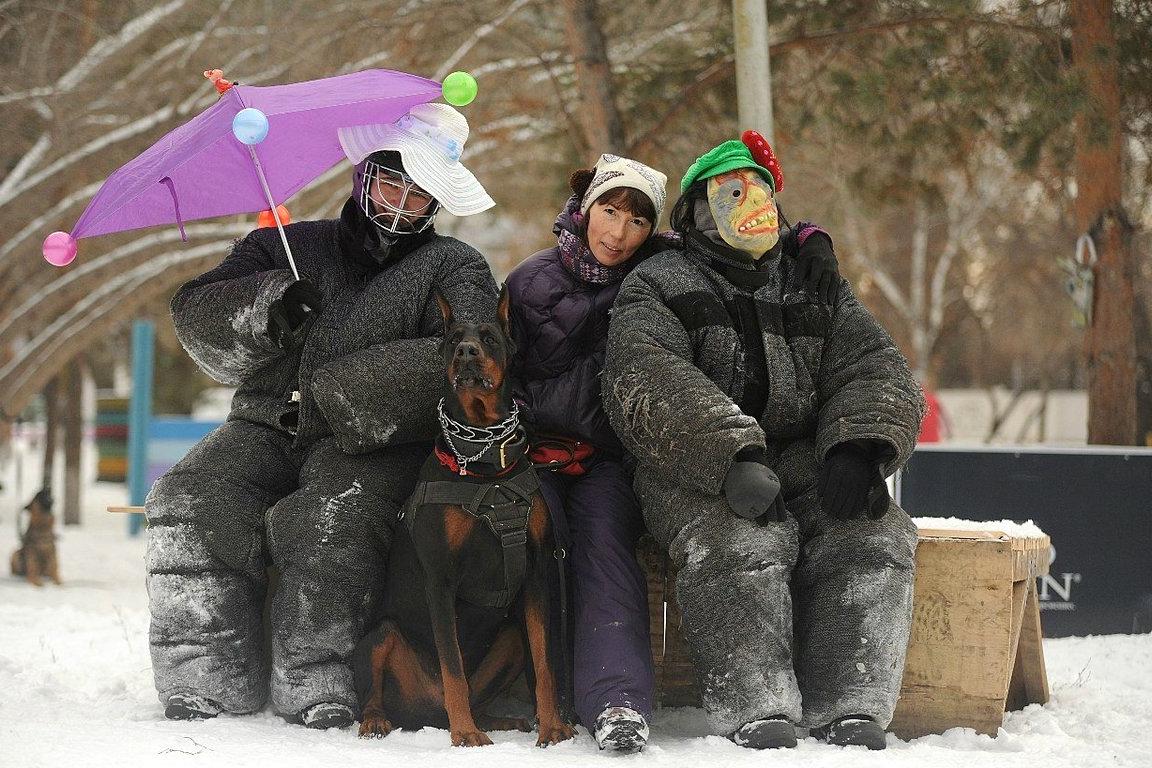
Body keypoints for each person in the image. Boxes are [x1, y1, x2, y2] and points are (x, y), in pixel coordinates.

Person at [145, 103, 499, 729]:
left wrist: (340, 389)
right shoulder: (284, 246)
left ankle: (318, 680)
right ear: (365, 177)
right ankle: (206, 675)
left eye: (417, 194)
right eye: (391, 183)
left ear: (434, 202)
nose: (399, 203)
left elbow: (466, 353)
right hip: (263, 425)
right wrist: (267, 307)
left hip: (367, 442)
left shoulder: (454, 266)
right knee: (189, 498)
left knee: (325, 521)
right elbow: (194, 311)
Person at [506, 153, 841, 752]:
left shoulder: (661, 267)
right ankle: (513, 689)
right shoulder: (530, 281)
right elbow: (496, 363)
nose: (618, 233)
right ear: (585, 210)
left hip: (606, 458)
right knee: (518, 547)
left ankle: (617, 701)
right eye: (608, 212)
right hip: (530, 451)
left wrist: (811, 239)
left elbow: (746, 231)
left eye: (635, 221)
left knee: (604, 547)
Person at [602, 134, 924, 751]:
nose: (749, 202)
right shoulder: (659, 282)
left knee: (871, 532)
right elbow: (642, 375)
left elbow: (874, 364)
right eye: (730, 190)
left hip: (805, 456)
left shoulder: (810, 280)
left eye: (759, 190)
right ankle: (756, 701)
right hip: (695, 467)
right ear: (698, 206)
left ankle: (851, 701)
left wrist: (858, 446)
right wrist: (731, 455)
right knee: (735, 539)